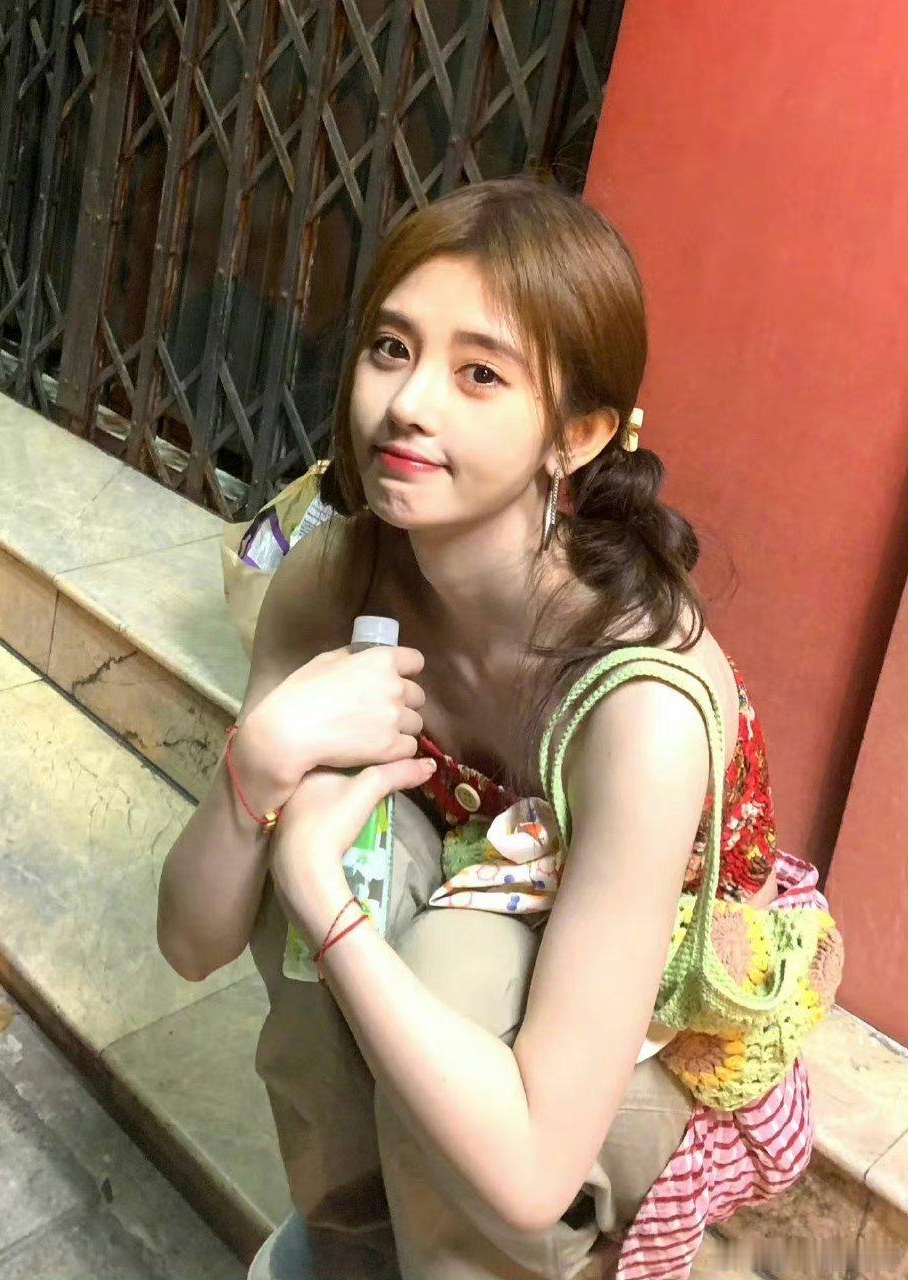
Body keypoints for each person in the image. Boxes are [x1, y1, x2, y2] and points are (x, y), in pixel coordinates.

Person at [158, 172, 823, 1279]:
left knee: (443, 957)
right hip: (467, 933)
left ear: (580, 433)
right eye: (391, 348)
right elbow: (190, 943)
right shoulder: (334, 574)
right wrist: (254, 768)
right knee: (313, 809)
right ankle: (358, 1243)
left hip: (621, 1059)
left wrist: (323, 897)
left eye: (479, 373)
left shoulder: (643, 706)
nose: (409, 403)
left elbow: (531, 1169)